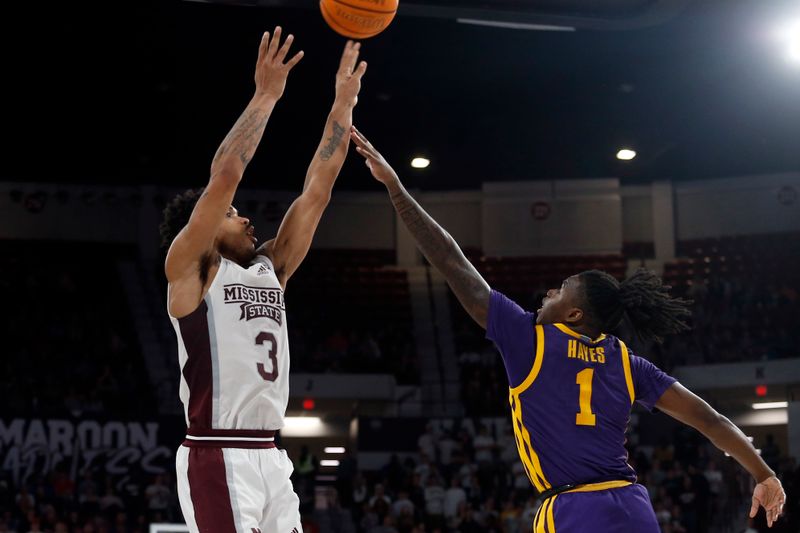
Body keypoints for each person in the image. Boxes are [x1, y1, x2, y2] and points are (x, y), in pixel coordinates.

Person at [349, 126, 787, 531]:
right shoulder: (625, 360)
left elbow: (450, 259)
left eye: (560, 292)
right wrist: (764, 473)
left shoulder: (530, 339)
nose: (548, 295)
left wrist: (396, 189)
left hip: (572, 509)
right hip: (634, 507)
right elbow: (708, 419)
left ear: (575, 314)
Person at [159, 28, 367, 533]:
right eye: (232, 215)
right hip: (217, 453)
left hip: (271, 457)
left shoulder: (270, 268)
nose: (247, 218)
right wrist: (267, 94)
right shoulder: (192, 268)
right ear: (205, 225)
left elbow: (318, 189)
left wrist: (342, 104)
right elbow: (226, 172)